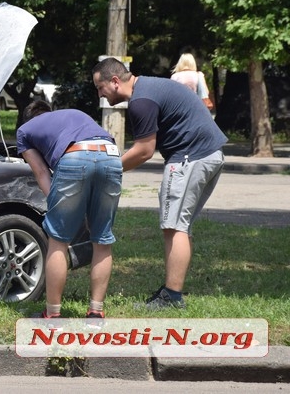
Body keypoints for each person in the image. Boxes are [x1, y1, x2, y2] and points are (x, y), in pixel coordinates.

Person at [91, 57, 227, 310]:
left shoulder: (141, 101)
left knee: (174, 226)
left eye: (100, 88)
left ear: (115, 81)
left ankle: (172, 297)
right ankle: (171, 293)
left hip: (190, 157)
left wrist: (105, 170)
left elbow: (144, 151)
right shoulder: (148, 87)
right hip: (207, 154)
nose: (100, 94)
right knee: (178, 226)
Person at [16, 99, 123, 319]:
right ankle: (96, 313)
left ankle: (53, 314)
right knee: (102, 240)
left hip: (75, 155)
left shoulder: (25, 131)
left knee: (59, 240)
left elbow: (42, 173)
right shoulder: (73, 113)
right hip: (111, 155)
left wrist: (59, 206)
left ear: (29, 118)